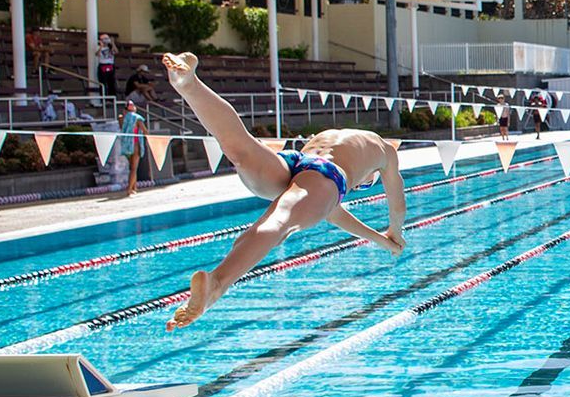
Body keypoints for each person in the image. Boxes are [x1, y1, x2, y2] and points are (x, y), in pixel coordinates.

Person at [160, 52, 405, 330]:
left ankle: (189, 84)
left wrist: (382, 240)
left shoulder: (342, 138)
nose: (360, 186)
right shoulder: (386, 153)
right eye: (364, 185)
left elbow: (332, 212)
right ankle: (216, 283)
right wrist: (396, 230)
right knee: (280, 221)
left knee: (240, 147)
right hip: (327, 172)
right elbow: (397, 206)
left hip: (294, 161)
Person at [117, 96, 147, 199]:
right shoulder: (137, 118)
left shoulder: (122, 118)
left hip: (125, 145)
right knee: (134, 169)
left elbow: (121, 127)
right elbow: (145, 131)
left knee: (132, 167)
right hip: (135, 145)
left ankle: (134, 188)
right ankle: (129, 189)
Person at [96, 34, 118, 99]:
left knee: (111, 82)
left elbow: (116, 52)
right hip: (103, 65)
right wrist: (101, 46)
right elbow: (97, 54)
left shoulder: (110, 47)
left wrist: (113, 43)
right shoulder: (98, 47)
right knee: (103, 82)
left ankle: (111, 98)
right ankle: (103, 97)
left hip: (110, 65)